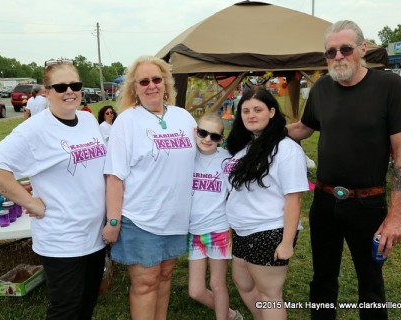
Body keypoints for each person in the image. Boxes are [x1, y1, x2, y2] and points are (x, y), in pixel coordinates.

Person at [287, 20, 401, 320]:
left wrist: (395, 217)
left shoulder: (389, 86)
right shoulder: (321, 88)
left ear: (363, 48)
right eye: (330, 52)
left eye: (345, 49)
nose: (338, 57)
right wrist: (261, 131)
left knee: (371, 286)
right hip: (325, 202)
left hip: (368, 204)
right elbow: (305, 128)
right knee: (322, 281)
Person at [0, 61, 106, 319]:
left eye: (75, 85)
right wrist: (30, 202)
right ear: (46, 92)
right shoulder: (34, 129)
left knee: (87, 302)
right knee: (66, 309)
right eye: (60, 87)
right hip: (63, 238)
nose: (69, 91)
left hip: (95, 233)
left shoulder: (87, 119)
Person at [102, 55, 197, 319]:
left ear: (166, 83)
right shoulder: (126, 121)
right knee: (145, 283)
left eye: (157, 79)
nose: (151, 85)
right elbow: (114, 176)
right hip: (141, 219)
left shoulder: (184, 117)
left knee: (164, 276)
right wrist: (113, 220)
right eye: (144, 81)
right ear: (134, 87)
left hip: (176, 217)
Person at [224, 87, 309, 320]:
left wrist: (287, 242)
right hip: (243, 230)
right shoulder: (249, 146)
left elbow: (294, 198)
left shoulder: (286, 149)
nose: (251, 115)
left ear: (271, 112)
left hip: (269, 230)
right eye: (246, 110)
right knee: (243, 284)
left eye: (258, 110)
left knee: (270, 294)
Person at [188, 112, 242, 320]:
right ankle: (231, 315)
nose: (207, 139)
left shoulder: (227, 161)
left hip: (219, 229)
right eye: (203, 133)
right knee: (196, 290)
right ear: (196, 131)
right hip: (194, 231)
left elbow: (237, 194)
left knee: (217, 284)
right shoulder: (187, 157)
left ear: (222, 138)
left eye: (215, 136)